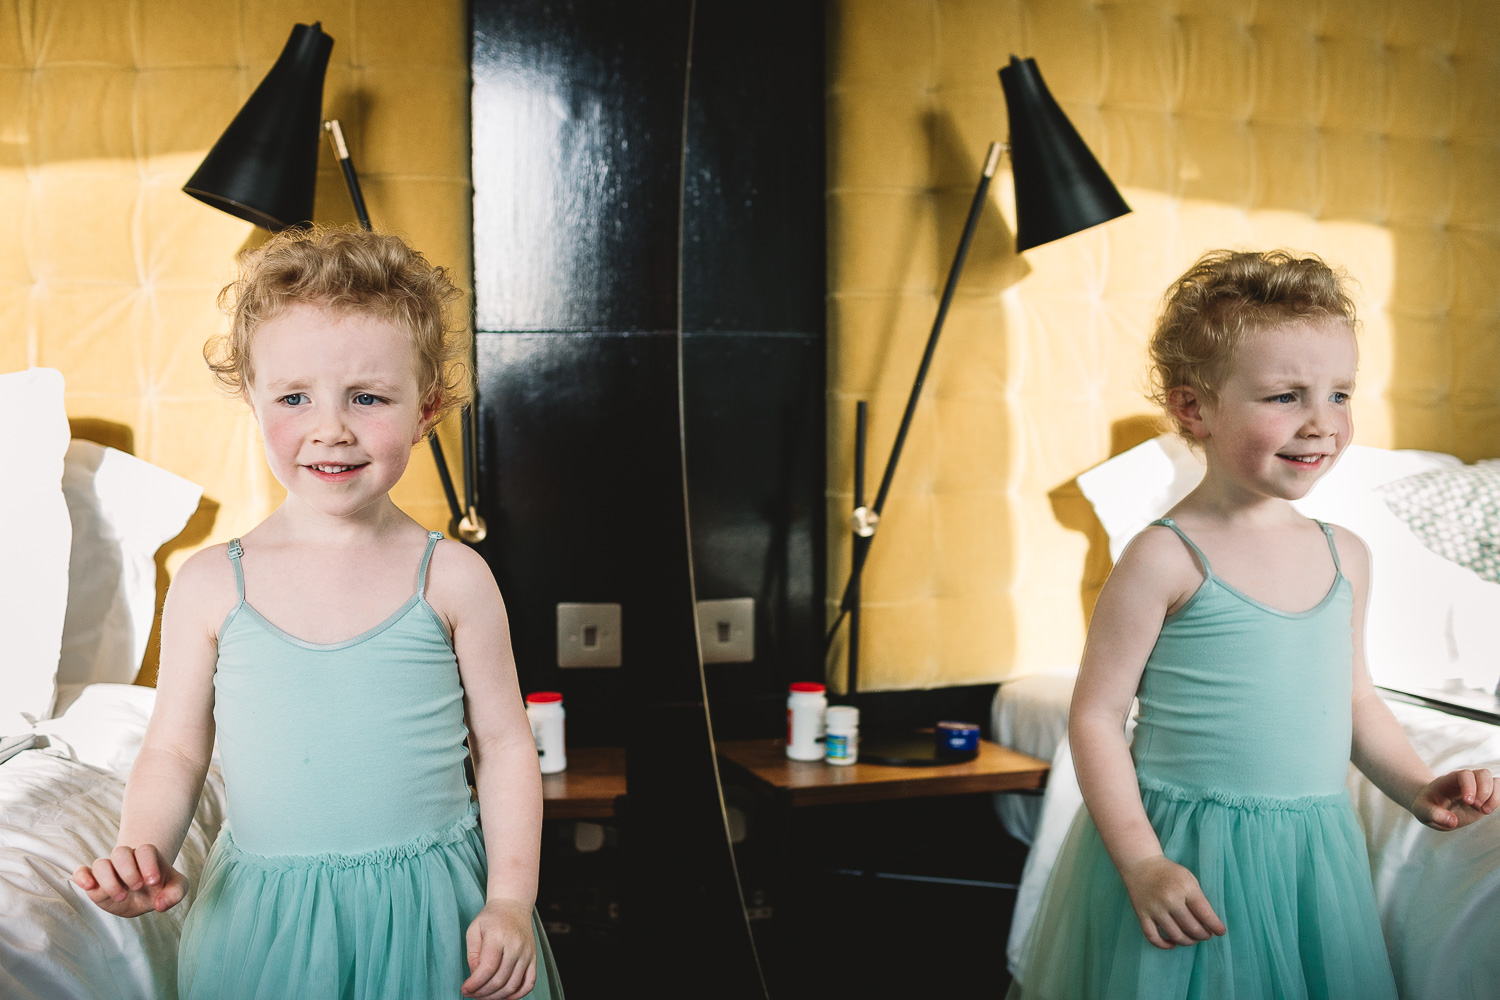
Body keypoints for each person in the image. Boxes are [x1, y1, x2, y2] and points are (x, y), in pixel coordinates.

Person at [73, 226, 563, 1000]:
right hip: (266, 923)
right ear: (252, 397)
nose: (331, 427)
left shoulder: (454, 578)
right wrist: (142, 846)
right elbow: (172, 750)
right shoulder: (211, 585)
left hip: (432, 912)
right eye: (295, 397)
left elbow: (503, 747)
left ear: (426, 408)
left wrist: (509, 901)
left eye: (367, 398)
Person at [1008, 249, 1497, 1000]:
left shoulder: (1347, 556)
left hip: (1312, 853)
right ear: (1192, 409)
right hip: (1188, 850)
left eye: (1340, 394)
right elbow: (1098, 717)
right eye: (1284, 396)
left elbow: (1357, 702)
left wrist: (1418, 787)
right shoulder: (1165, 557)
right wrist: (1142, 862)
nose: (1321, 424)